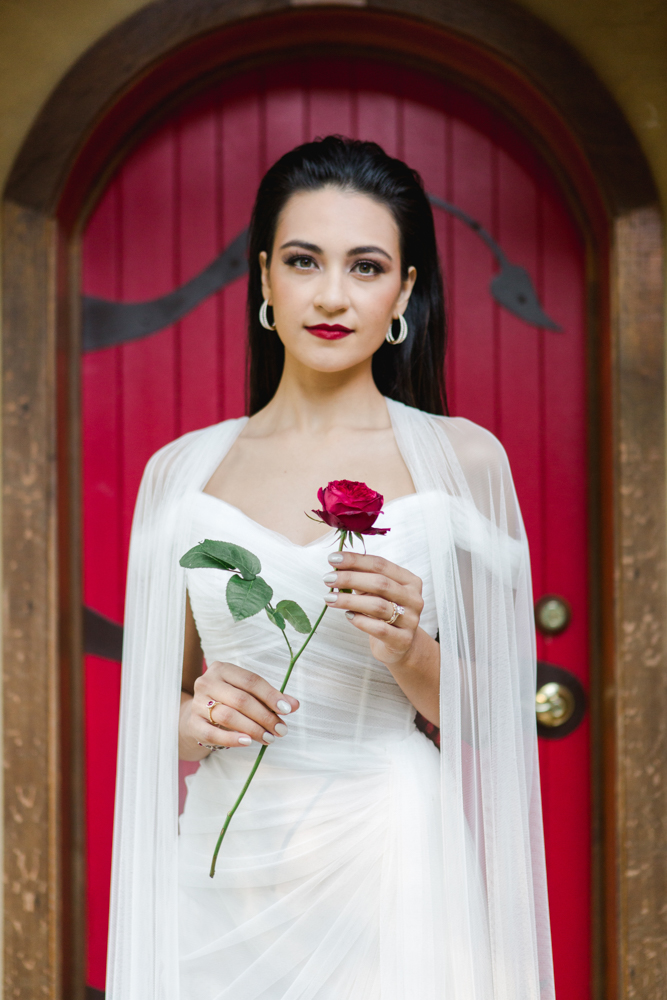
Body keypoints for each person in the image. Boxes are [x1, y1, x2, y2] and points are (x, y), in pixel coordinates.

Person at [107, 136, 554, 1000]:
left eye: (366, 266)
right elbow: (149, 714)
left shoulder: (461, 460)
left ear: (404, 292)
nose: (331, 295)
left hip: (388, 850)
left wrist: (407, 648)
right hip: (223, 862)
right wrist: (197, 719)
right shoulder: (182, 472)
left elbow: (498, 714)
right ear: (264, 278)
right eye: (305, 261)